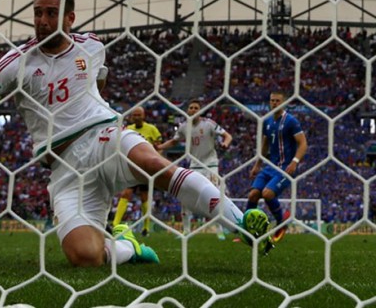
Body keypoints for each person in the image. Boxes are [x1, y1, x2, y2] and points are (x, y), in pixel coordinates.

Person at [0, 0, 271, 267]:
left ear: (69, 17)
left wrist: (104, 114)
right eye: (38, 13)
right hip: (64, 169)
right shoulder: (17, 63)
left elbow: (99, 82)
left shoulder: (92, 45)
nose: (42, 21)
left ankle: (242, 222)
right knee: (85, 257)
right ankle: (128, 247)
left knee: (154, 164)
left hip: (103, 137)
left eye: (51, 13)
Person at [157, 99, 233, 239]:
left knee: (214, 195)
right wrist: (159, 147)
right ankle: (186, 231)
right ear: (187, 110)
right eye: (191, 107)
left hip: (210, 164)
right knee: (185, 195)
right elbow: (174, 141)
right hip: (194, 165)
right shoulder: (183, 127)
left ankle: (219, 229)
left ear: (200, 110)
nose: (193, 110)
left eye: (196, 108)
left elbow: (227, 136)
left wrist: (225, 143)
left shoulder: (209, 124)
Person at [247, 90, 307, 243]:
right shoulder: (267, 121)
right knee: (253, 195)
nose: (274, 103)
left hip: (285, 168)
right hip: (269, 167)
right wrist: (257, 164)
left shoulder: (291, 121)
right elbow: (265, 144)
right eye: (272, 100)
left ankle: (281, 224)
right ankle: (247, 228)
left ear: (284, 103)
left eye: (277, 101)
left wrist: (295, 162)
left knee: (267, 194)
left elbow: (303, 144)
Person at [111, 107, 162, 237]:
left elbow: (159, 147)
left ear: (144, 116)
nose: (137, 117)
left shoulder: (152, 129)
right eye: (135, 115)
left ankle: (146, 227)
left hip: (146, 168)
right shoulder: (128, 129)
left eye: (139, 115)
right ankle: (115, 224)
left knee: (144, 196)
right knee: (126, 193)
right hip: (131, 167)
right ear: (132, 117)